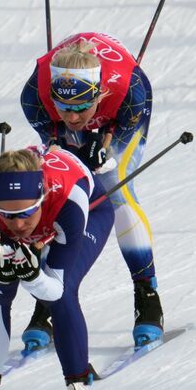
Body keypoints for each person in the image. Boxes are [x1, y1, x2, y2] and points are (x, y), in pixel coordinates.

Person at [0, 146, 114, 390]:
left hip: (89, 214)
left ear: (42, 197)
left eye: (25, 214)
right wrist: (5, 277)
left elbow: (54, 289)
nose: (18, 225)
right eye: (8, 216)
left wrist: (33, 276)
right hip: (39, 216)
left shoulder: (70, 198)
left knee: (64, 292)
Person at [19, 32, 162, 349]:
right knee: (61, 192)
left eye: (81, 107)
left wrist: (105, 158)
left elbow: (111, 160)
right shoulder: (34, 98)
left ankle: (147, 293)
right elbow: (59, 148)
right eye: (64, 108)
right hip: (68, 102)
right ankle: (50, 297)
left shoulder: (129, 90)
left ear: (98, 94)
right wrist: (72, 152)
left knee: (116, 187)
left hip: (122, 105)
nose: (72, 117)